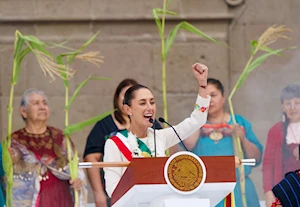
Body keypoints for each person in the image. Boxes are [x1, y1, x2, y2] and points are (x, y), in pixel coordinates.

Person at [103, 62, 210, 197]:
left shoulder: (161, 136)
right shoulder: (114, 144)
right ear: (128, 109)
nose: (149, 107)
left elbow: (197, 121)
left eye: (152, 102)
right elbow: (113, 190)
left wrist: (202, 84)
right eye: (142, 103)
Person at [175, 78, 263, 207]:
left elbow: (256, 158)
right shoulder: (194, 123)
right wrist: (199, 117)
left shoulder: (239, 122)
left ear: (223, 97)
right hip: (207, 190)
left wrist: (242, 138)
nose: (209, 100)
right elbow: (189, 144)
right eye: (205, 97)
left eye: (213, 95)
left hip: (239, 189)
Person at [83, 78, 162, 207]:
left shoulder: (152, 124)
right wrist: (98, 192)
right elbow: (91, 158)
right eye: (125, 95)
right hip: (118, 192)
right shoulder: (104, 125)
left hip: (150, 193)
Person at [8, 89, 87, 207]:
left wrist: (77, 180)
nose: (42, 107)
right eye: (36, 103)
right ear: (23, 111)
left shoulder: (61, 137)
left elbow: (75, 167)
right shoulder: (14, 141)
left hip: (61, 199)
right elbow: (8, 178)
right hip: (30, 202)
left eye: (44, 103)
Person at [263, 84, 300, 207]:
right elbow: (268, 164)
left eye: (297, 103)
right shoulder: (275, 130)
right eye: (288, 103)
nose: (293, 108)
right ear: (282, 106)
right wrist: (269, 193)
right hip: (284, 191)